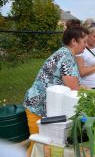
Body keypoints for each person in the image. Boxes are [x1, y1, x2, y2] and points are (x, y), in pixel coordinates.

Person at [23, 26, 89, 156]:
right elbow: (74, 89)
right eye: (84, 41)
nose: (86, 45)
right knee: (39, 147)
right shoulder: (67, 58)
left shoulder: (64, 53)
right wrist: (93, 93)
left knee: (43, 147)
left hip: (42, 107)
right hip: (39, 108)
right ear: (74, 41)